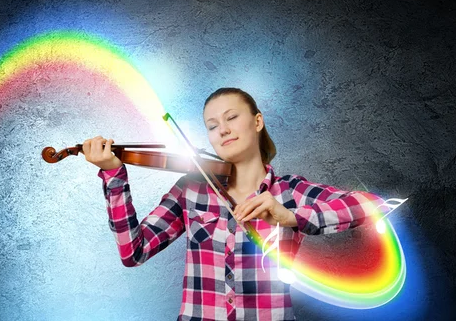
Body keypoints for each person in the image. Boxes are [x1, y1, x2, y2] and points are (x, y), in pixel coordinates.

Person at [81, 87, 387, 321]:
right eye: (212, 126)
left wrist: (291, 216)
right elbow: (133, 252)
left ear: (257, 122)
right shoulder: (192, 189)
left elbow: (371, 204)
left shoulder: (289, 191)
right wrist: (113, 175)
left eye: (231, 117)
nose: (222, 130)